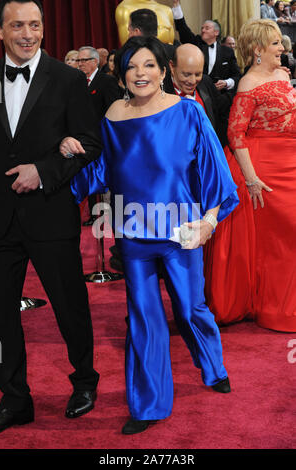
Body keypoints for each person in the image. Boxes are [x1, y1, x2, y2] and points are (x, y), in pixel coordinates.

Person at [60, 35, 239, 435]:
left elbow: (215, 172)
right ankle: (148, 403)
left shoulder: (188, 112)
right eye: (131, 67)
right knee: (143, 317)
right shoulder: (112, 115)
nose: (139, 73)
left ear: (164, 71)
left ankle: (212, 367)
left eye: (148, 65)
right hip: (133, 233)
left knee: (191, 308)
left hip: (181, 232)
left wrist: (208, 221)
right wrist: (67, 161)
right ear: (122, 74)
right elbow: (101, 170)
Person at [0, 0, 102, 434]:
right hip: (0, 219)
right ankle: (15, 397)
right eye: (18, 25)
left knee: (69, 307)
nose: (28, 33)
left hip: (50, 213)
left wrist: (43, 171)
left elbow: (90, 143)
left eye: (35, 25)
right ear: (1, 31)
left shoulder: (68, 78)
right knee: (1, 316)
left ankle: (84, 381)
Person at [204, 19, 296, 331]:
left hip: (290, 161)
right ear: (258, 49)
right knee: (281, 236)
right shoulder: (247, 83)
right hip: (262, 167)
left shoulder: (283, 74)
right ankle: (271, 303)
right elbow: (236, 134)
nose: (282, 49)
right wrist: (251, 178)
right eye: (275, 44)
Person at [77, 46, 122, 226]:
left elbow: (113, 109)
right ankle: (94, 214)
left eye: (83, 60)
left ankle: (107, 214)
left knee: (105, 177)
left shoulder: (106, 81)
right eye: (78, 61)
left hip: (102, 139)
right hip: (83, 140)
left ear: (94, 62)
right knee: (89, 175)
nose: (79, 64)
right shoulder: (77, 81)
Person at [165, 43, 232, 146]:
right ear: (172, 67)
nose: (192, 81)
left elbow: (220, 116)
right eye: (186, 74)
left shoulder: (206, 83)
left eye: (198, 74)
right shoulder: (159, 91)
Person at [172, 1, 241, 97]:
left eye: (207, 28)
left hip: (220, 99)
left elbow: (237, 75)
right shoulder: (196, 43)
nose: (203, 30)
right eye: (202, 28)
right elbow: (183, 29)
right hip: (198, 95)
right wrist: (176, 5)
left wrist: (226, 83)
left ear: (216, 32)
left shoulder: (227, 51)